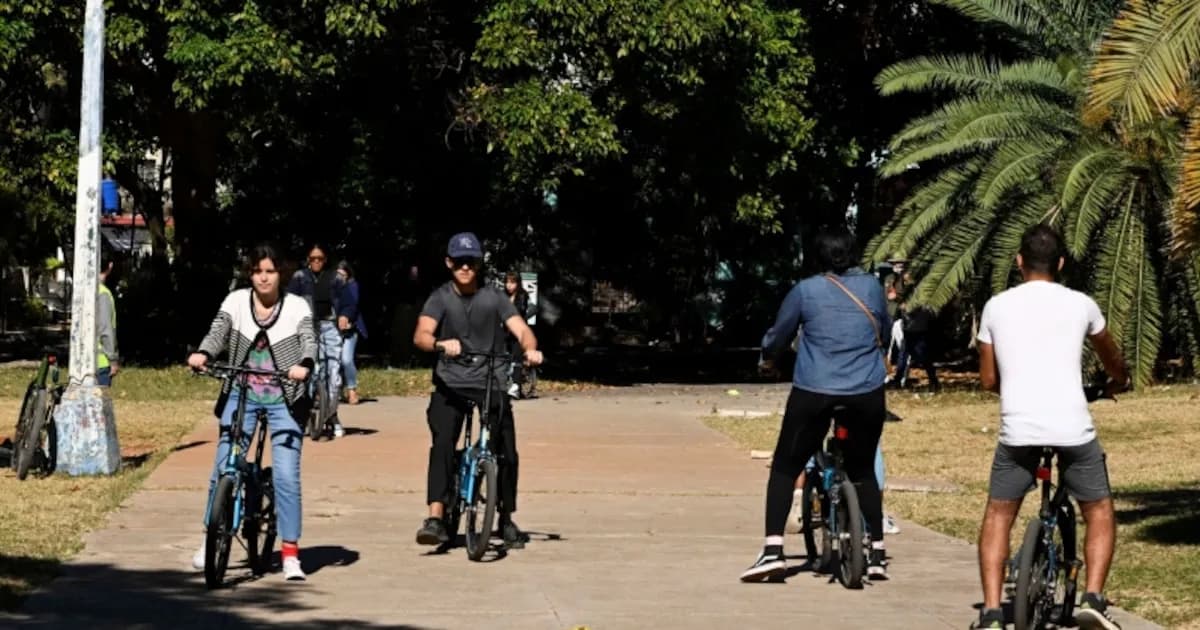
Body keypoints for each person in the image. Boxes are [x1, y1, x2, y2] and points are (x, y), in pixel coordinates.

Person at [972, 224, 1129, 630]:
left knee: (998, 514)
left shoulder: (995, 307)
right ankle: (1093, 597)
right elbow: (1112, 357)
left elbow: (988, 380)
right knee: (1097, 509)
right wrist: (1118, 380)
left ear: (1019, 261)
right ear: (1060, 263)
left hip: (1017, 432)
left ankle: (991, 612)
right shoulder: (1082, 305)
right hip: (1072, 429)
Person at [744, 226, 891, 582]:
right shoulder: (872, 287)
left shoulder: (805, 291)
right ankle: (877, 552)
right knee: (862, 469)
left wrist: (768, 357)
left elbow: (779, 336)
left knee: (784, 465)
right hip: (866, 393)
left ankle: (773, 550)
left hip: (815, 391)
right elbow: (884, 332)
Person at [187, 243, 317, 581]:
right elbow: (218, 332)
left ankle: (290, 554)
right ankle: (211, 537)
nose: (263, 277)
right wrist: (203, 352)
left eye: (270, 271)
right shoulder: (236, 301)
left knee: (287, 476)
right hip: (241, 392)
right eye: (258, 271)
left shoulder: (296, 306)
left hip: (285, 397)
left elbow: (309, 341)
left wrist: (305, 365)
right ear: (250, 274)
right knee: (222, 466)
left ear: (280, 275)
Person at [412, 232, 543, 549]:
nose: (465, 267)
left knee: (507, 453)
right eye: (459, 261)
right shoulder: (440, 297)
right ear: (449, 263)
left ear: (479, 264)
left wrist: (530, 350)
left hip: (489, 382)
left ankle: (506, 518)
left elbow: (522, 330)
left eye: (471, 261)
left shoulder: (495, 297)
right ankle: (435, 517)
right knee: (443, 443)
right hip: (450, 383)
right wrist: (441, 344)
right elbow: (421, 335)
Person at [288, 244, 347, 438]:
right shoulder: (299, 277)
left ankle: (332, 415)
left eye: (320, 258)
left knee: (333, 372)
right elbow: (289, 301)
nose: (316, 262)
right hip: (308, 327)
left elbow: (348, 300)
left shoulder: (335, 278)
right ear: (307, 259)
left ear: (325, 260)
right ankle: (305, 415)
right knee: (312, 372)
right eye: (313, 258)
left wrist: (345, 315)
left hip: (330, 326)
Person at [336, 261, 367, 405]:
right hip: (332, 329)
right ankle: (334, 391)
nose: (339, 278)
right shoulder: (330, 288)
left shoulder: (352, 286)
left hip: (350, 329)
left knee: (346, 360)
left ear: (348, 275)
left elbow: (353, 305)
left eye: (342, 275)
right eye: (337, 274)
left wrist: (348, 319)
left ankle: (352, 390)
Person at [503, 271, 531, 398]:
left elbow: (519, 312)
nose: (509, 285)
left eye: (512, 282)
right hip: (505, 332)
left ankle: (516, 385)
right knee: (502, 357)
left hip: (519, 332)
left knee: (516, 358)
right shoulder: (503, 296)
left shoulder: (522, 295)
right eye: (507, 282)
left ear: (518, 283)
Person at [96, 250, 120, 387]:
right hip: (101, 362)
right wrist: (113, 359)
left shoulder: (85, 291)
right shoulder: (104, 294)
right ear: (110, 266)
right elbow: (105, 329)